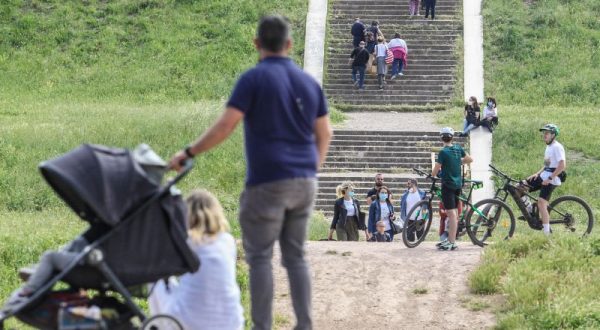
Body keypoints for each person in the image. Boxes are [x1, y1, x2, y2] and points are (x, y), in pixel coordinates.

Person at [169, 15, 333, 330]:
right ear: (289, 44)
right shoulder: (309, 83)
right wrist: (313, 168)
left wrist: (188, 152)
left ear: (257, 43)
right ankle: (305, 325)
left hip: (266, 182)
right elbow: (325, 133)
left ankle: (263, 327)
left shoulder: (253, 79)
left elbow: (226, 125)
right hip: (304, 182)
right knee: (296, 258)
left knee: (259, 259)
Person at [148, 190, 244, 330]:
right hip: (231, 323)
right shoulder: (227, 241)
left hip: (188, 323)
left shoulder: (187, 242)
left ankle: (159, 325)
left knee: (156, 278)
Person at [432, 127, 473, 250]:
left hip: (448, 185)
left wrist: (432, 175)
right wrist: (458, 161)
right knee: (454, 212)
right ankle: (451, 240)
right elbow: (470, 159)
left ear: (441, 138)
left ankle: (451, 241)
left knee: (451, 214)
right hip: (458, 185)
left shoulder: (443, 152)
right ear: (452, 137)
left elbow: (436, 169)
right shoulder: (458, 148)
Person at [522, 124, 566, 235]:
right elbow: (546, 164)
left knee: (541, 203)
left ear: (553, 135)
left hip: (552, 178)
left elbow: (562, 165)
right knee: (520, 187)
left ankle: (547, 234)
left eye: (547, 133)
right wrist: (537, 174)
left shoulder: (557, 147)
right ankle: (530, 208)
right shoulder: (548, 147)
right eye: (543, 133)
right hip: (544, 175)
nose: (544, 135)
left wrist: (550, 178)